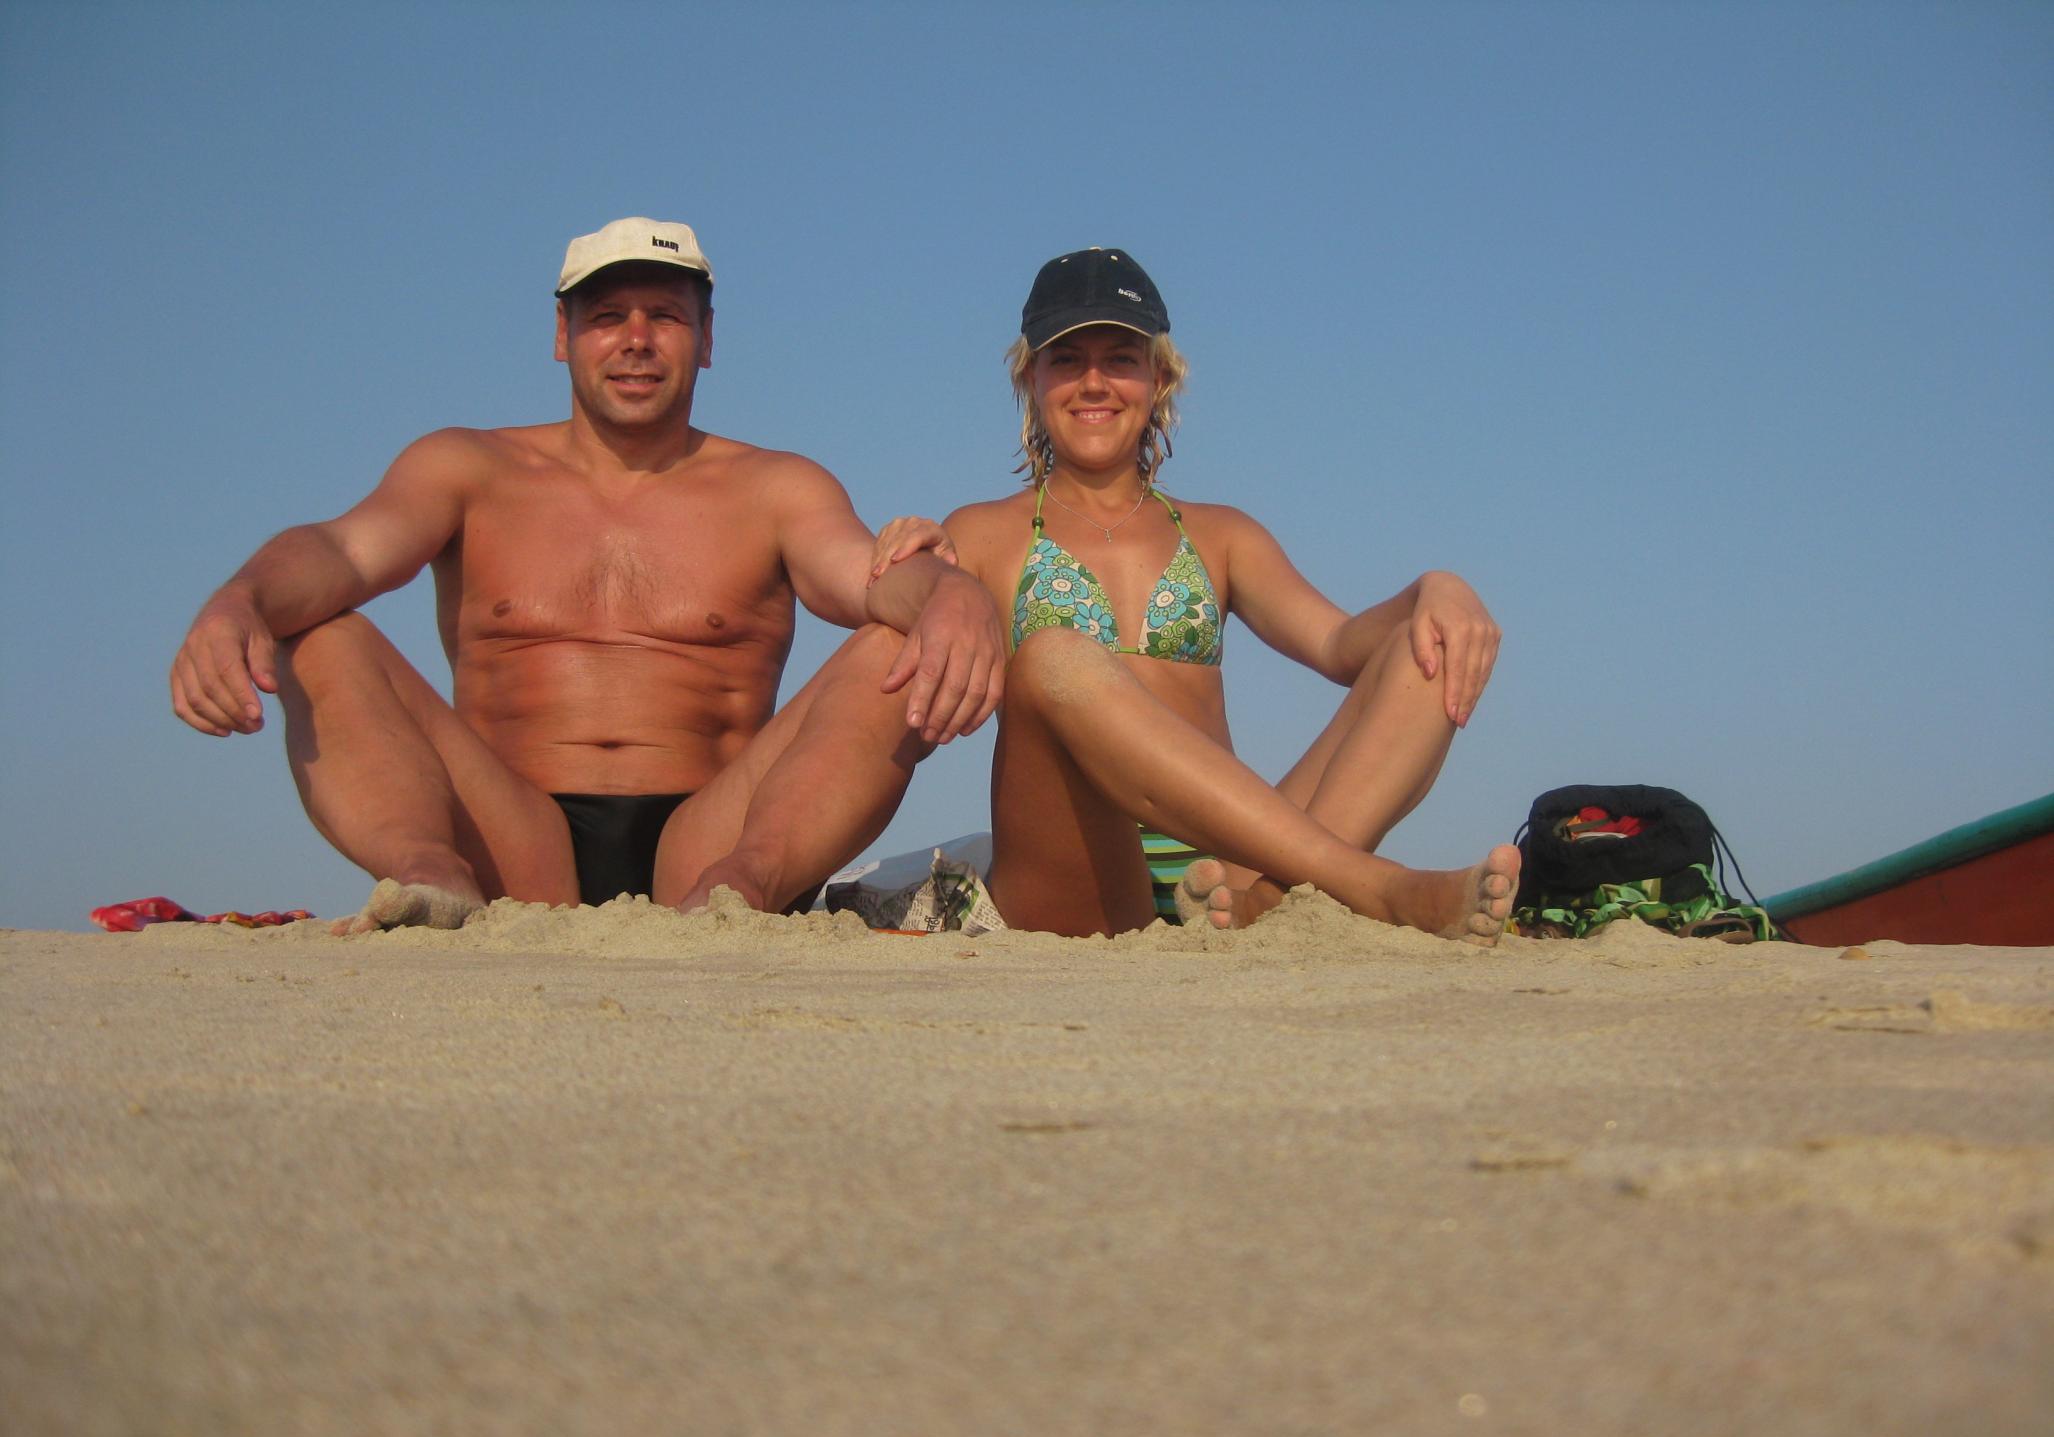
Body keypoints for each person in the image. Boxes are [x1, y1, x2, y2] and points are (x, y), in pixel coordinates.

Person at [170, 217, 1004, 933]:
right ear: (563, 335)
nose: (636, 340)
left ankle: (741, 896)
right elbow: (343, 553)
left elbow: (867, 579)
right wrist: (241, 600)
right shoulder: (466, 467)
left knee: (892, 644)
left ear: (707, 339)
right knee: (320, 631)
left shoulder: (777, 487)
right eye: (607, 317)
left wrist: (950, 593)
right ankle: (429, 876)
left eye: (665, 317)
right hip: (512, 839)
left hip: (711, 839)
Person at [872, 246, 1518, 940]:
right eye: (1068, 361)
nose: (1094, 383)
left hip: (1226, 869)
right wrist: (914, 558)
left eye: (1121, 359)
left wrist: (1436, 590)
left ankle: (1272, 901)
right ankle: (1368, 887)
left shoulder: (1221, 535)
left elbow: (1341, 646)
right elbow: (886, 593)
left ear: (1160, 377)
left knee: (1431, 645)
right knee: (1053, 658)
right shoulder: (983, 532)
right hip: (1078, 872)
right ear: (1032, 378)